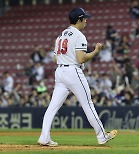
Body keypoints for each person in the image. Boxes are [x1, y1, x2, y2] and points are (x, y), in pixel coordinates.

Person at [38, 8, 117, 146]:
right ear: (79, 20)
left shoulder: (61, 36)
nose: (86, 20)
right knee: (88, 104)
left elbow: (55, 58)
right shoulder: (79, 35)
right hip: (73, 72)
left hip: (60, 72)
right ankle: (102, 135)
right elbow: (81, 59)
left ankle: (44, 137)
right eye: (84, 18)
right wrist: (96, 51)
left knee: (52, 107)